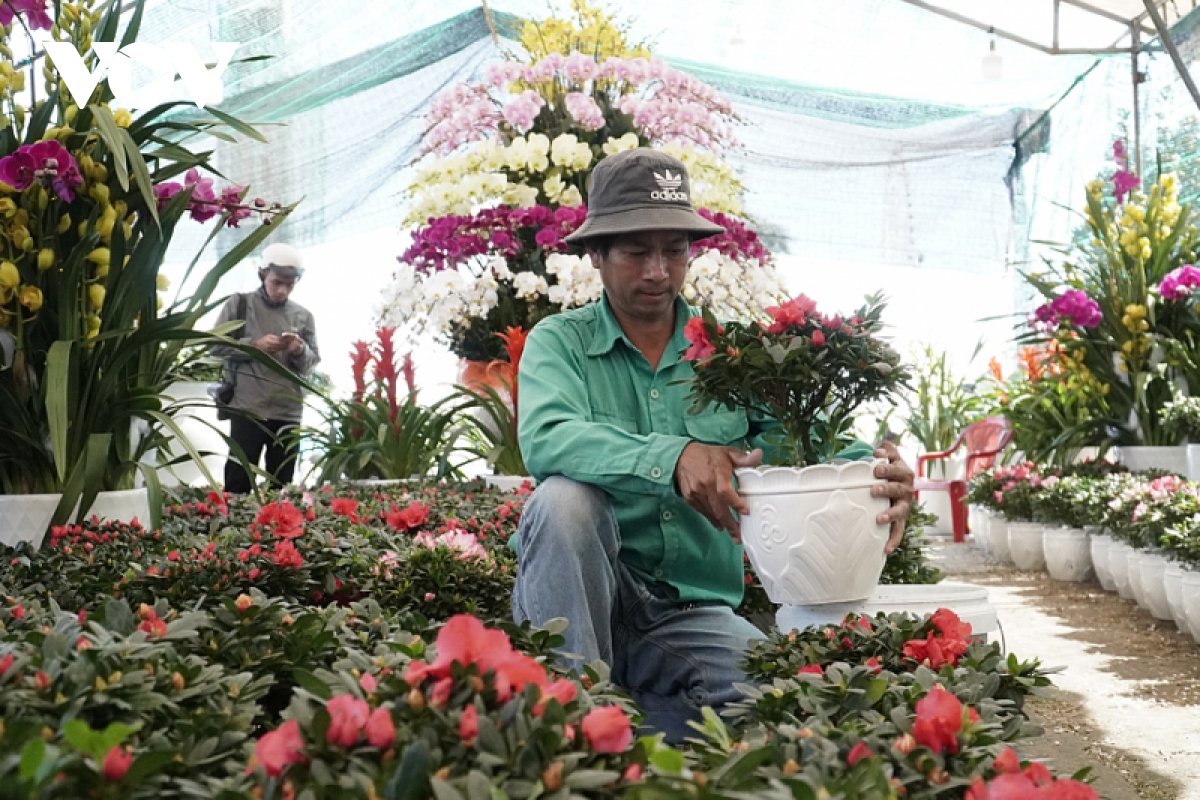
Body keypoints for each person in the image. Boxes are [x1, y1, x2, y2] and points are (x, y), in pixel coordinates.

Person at [512, 148, 914, 742]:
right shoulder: (560, 343)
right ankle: (567, 734)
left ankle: (620, 720)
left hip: (686, 617)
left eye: (674, 250)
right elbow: (548, 437)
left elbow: (805, 441)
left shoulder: (731, 354)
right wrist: (671, 456)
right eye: (635, 251)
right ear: (594, 254)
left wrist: (874, 472)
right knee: (564, 502)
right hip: (579, 594)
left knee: (777, 706)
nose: (657, 271)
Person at [211, 242, 320, 493]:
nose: (282, 290)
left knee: (282, 488)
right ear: (263, 274)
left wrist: (299, 350)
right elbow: (215, 346)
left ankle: (278, 530)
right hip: (248, 409)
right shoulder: (240, 304)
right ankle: (234, 529)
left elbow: (312, 363)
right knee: (239, 482)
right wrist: (253, 346)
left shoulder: (303, 315)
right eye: (277, 282)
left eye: (289, 284)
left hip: (288, 412)